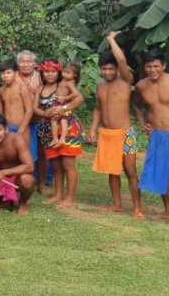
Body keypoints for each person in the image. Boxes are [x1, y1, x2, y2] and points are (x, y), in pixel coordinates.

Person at [88, 31, 143, 218]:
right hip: (107, 134)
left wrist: (111, 40)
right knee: (112, 171)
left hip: (125, 133)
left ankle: (137, 207)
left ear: (117, 69)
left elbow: (121, 61)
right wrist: (93, 130)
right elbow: (97, 109)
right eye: (104, 69)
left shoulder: (126, 81)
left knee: (130, 171)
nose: (107, 72)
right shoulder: (100, 86)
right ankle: (116, 204)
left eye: (111, 69)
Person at [33, 59, 84, 207]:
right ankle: (59, 194)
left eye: (53, 71)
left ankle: (69, 197)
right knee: (55, 164)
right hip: (48, 129)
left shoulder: (63, 85)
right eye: (46, 71)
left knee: (68, 164)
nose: (49, 74)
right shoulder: (40, 89)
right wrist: (45, 113)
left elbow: (79, 98)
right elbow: (35, 108)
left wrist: (63, 108)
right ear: (42, 73)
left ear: (58, 72)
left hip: (67, 127)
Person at [134, 49, 169, 218]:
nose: (153, 69)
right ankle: (167, 210)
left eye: (156, 66)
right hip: (156, 134)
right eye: (149, 66)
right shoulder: (141, 86)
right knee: (161, 172)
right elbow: (136, 105)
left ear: (164, 65)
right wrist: (142, 123)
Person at [0, 113, 35, 215]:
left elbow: (29, 166)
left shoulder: (17, 139)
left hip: (17, 178)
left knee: (27, 179)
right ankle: (2, 200)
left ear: (6, 130)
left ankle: (23, 203)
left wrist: (3, 172)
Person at [17, 50, 49, 190]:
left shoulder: (41, 78)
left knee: (42, 152)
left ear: (34, 64)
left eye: (28, 61)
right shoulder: (13, 77)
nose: (25, 64)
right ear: (18, 64)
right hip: (20, 122)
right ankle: (21, 182)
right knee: (20, 152)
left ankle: (41, 183)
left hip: (39, 120)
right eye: (22, 61)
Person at [49, 62, 82, 149]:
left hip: (63, 103)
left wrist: (66, 98)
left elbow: (75, 94)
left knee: (63, 120)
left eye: (68, 73)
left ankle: (62, 138)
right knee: (55, 119)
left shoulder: (70, 82)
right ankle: (56, 138)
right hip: (58, 102)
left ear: (74, 75)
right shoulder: (62, 80)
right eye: (64, 72)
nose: (65, 74)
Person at [0, 60, 33, 138]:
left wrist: (21, 129)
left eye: (8, 73)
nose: (5, 76)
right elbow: (0, 111)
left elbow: (29, 110)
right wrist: (2, 127)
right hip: (7, 127)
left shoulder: (22, 88)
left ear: (16, 73)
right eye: (2, 73)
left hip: (21, 126)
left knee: (24, 149)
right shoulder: (1, 90)